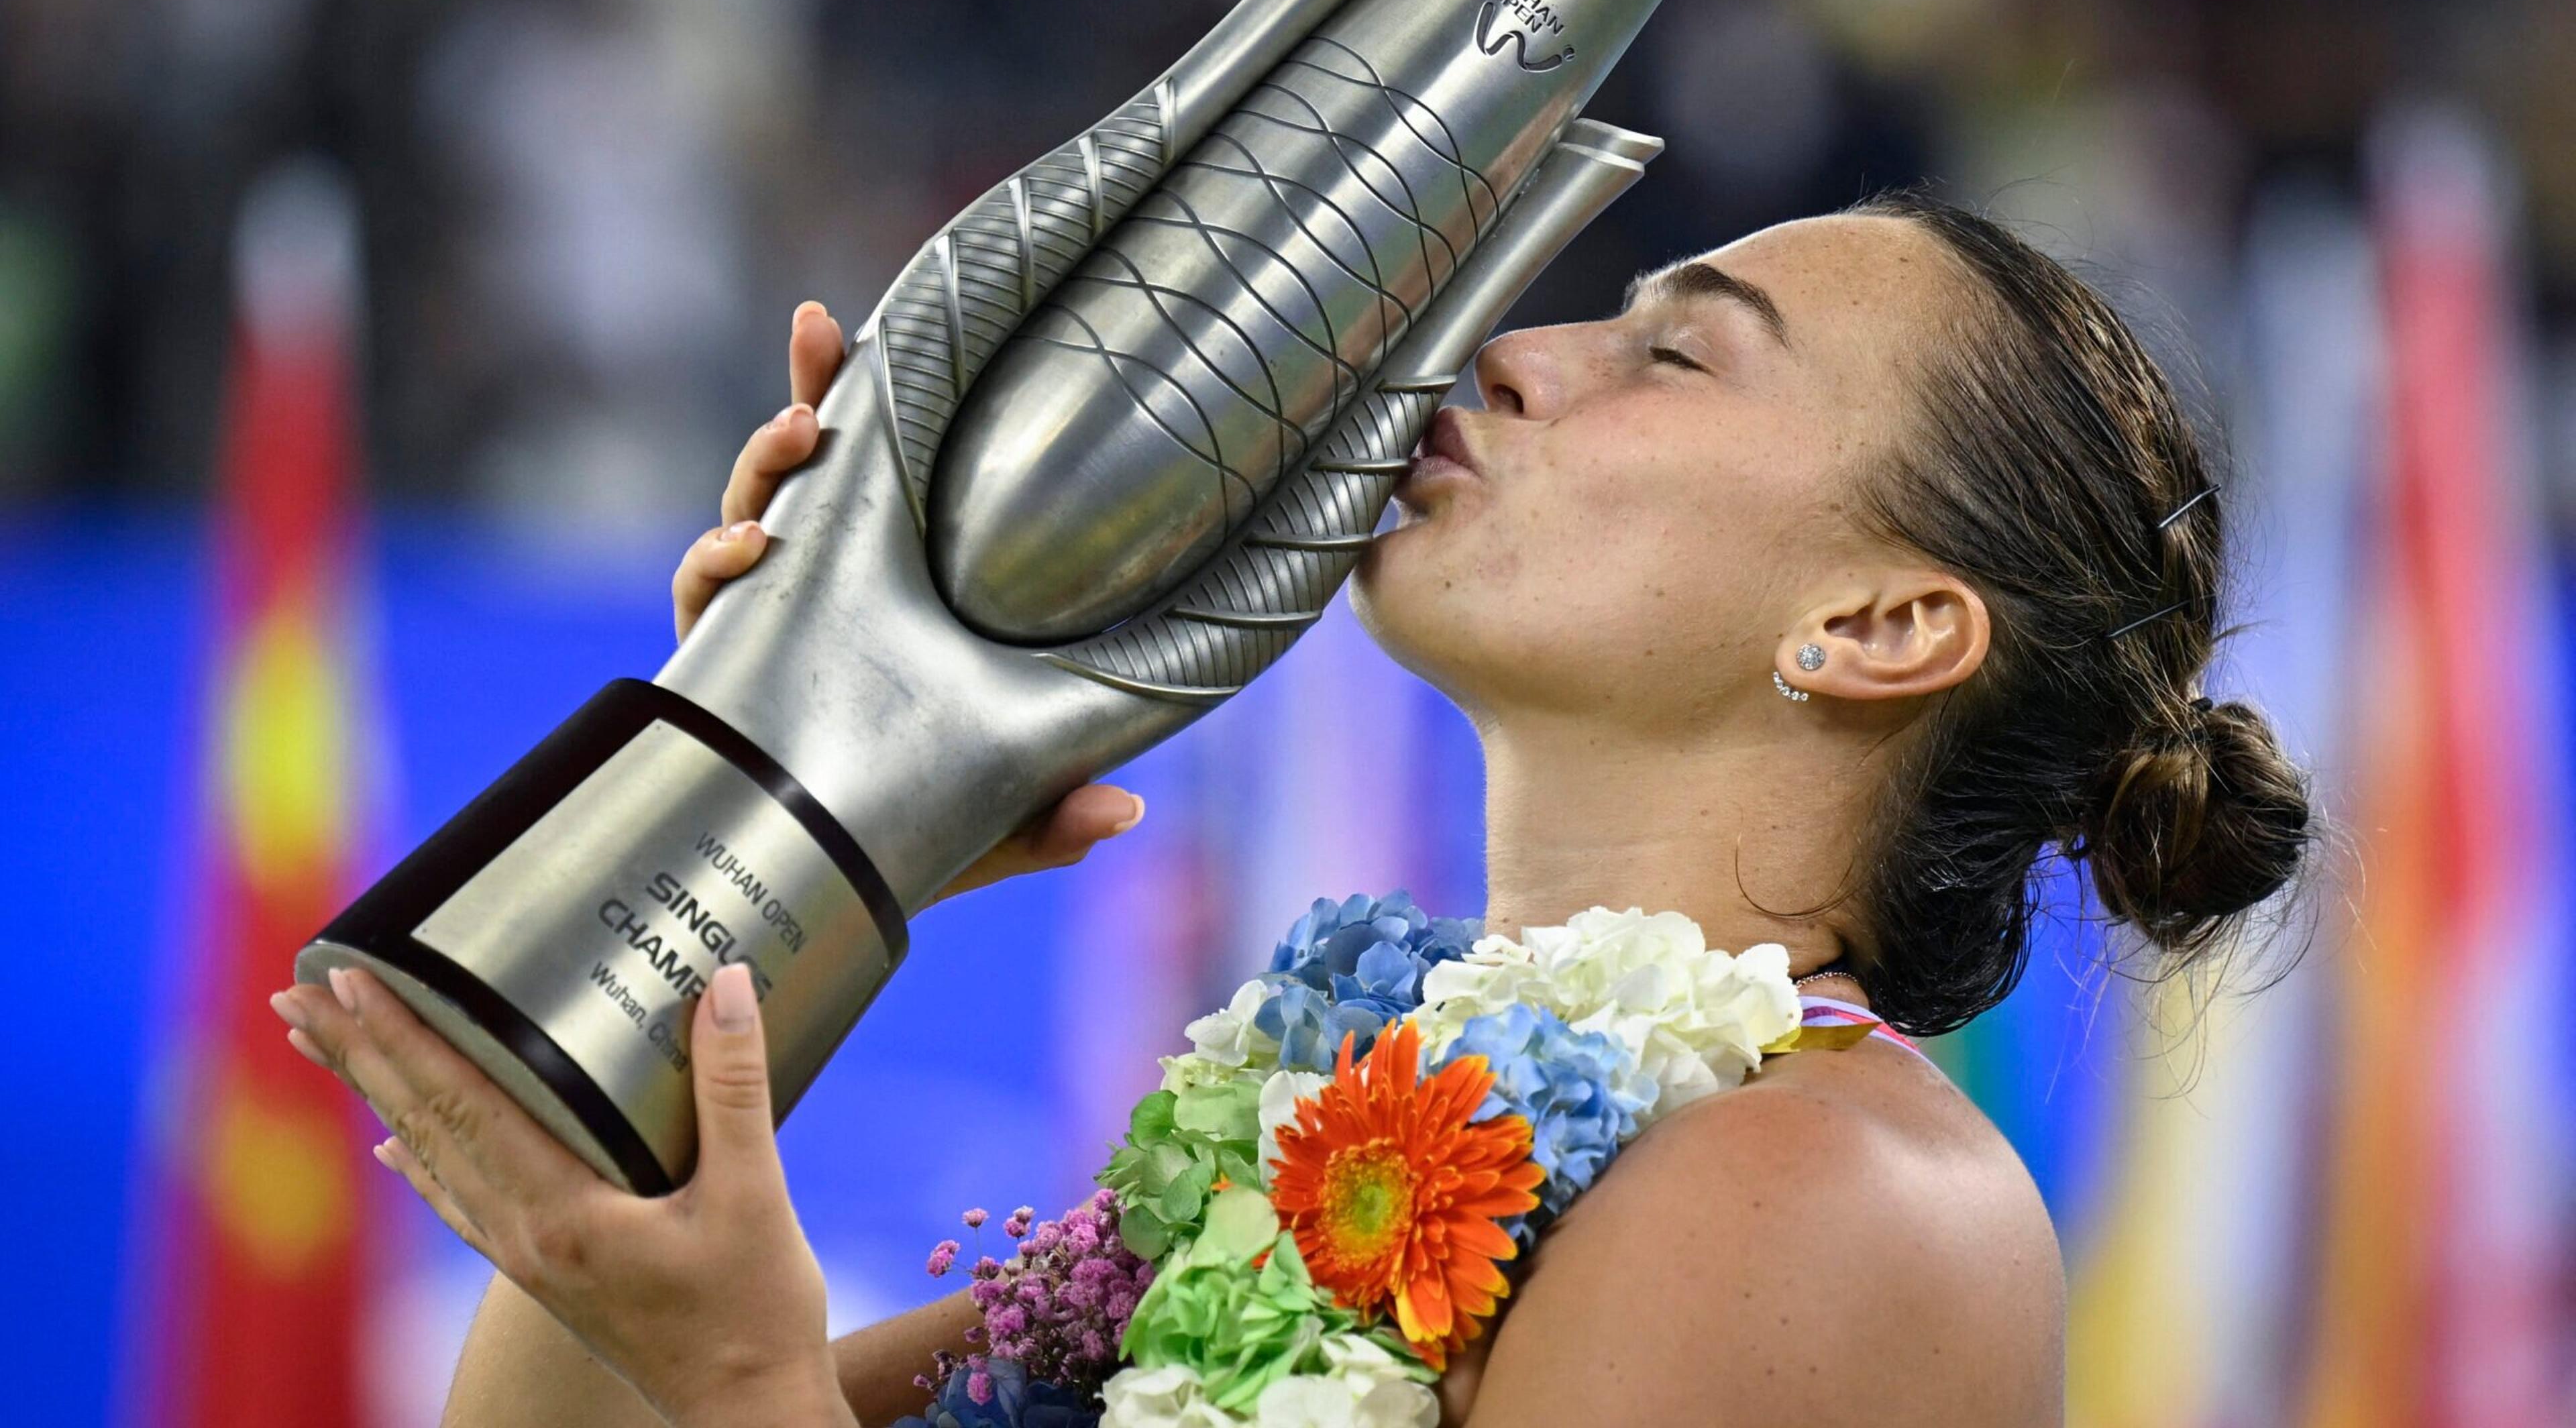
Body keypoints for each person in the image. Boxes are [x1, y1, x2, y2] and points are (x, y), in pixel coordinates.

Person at [273, 193, 2311, 1427]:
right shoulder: (1346, 1136)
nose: (1514, 353)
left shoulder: (1847, 1204)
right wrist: (805, 778)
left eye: (1675, 353)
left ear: (1878, 623)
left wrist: (742, 1386)